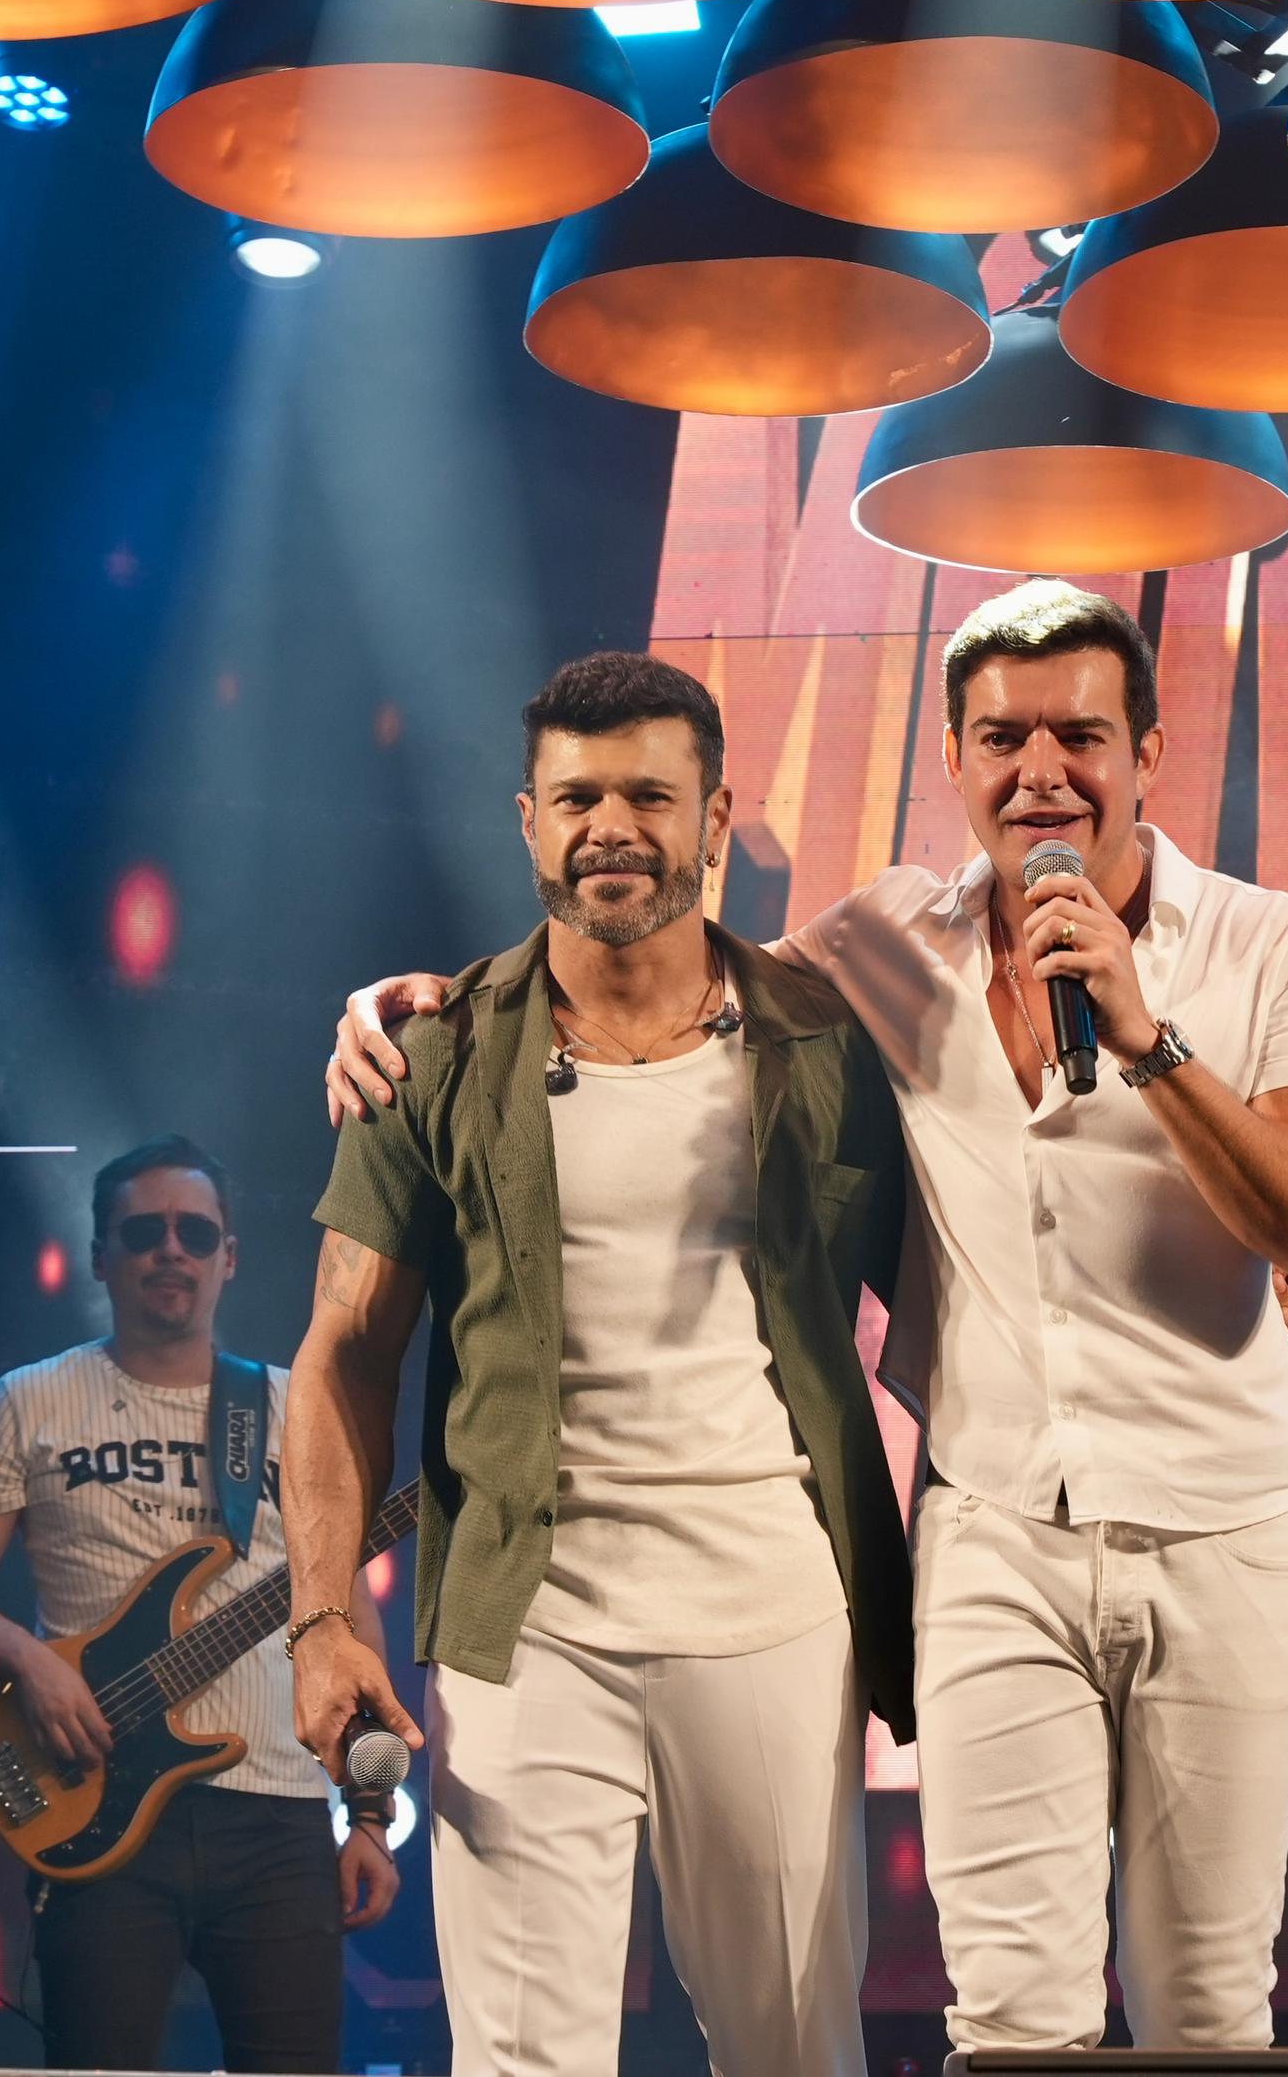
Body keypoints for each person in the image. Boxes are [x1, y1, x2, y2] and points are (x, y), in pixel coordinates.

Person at [328, 581, 1288, 2054]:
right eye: (1001, 737)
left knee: (1206, 2007)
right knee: (1011, 2011)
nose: (1041, 770)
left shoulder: (1275, 945)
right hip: (994, 1530)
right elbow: (649, 964)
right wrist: (430, 1007)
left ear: (1146, 750)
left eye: (1080, 734)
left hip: (1224, 1522)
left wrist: (1145, 1033)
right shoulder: (886, 944)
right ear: (954, 757)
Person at [281, 651, 915, 2077]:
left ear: (716, 815)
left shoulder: (827, 1040)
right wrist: (322, 1620)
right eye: (576, 798)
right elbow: (341, 1355)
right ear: (528, 820)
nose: (610, 826)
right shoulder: (429, 1053)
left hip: (772, 1609)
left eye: (648, 794)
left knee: (796, 2052)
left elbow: (964, 1278)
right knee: (521, 2062)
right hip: (528, 1627)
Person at [0, 1137, 391, 2074]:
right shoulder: (30, 1400)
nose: (171, 1249)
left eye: (195, 1233)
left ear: (228, 1257)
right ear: (100, 1256)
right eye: (143, 1232)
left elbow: (357, 1642)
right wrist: (31, 1662)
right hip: (97, 1806)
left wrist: (368, 1817)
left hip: (280, 1821)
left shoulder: (300, 1411)